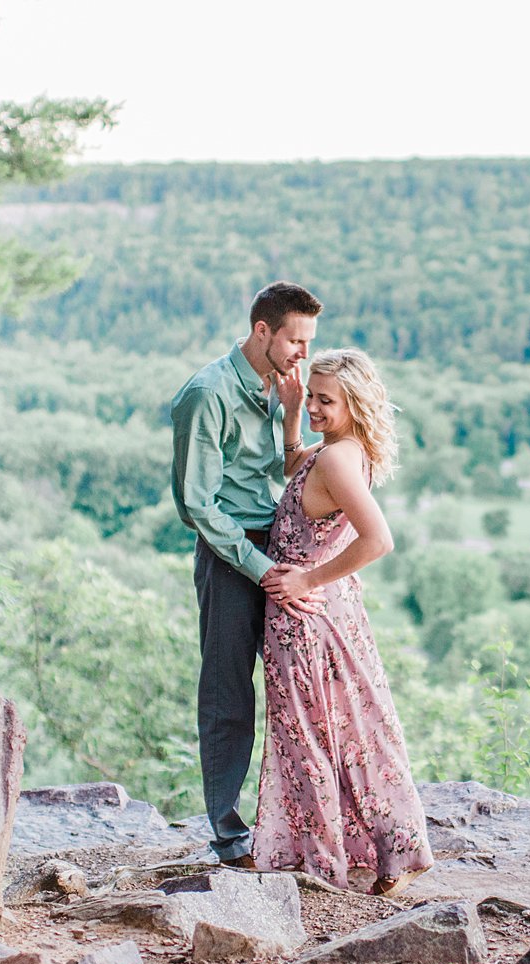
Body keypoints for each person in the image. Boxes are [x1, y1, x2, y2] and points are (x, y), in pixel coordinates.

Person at [254, 348, 434, 895]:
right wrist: (289, 414)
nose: (313, 406)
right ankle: (386, 850)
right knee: (353, 729)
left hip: (305, 616)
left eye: (324, 400)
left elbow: (379, 540)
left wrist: (307, 579)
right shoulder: (340, 451)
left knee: (305, 735)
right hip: (331, 613)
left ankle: (320, 860)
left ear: (354, 404)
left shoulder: (336, 458)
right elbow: (294, 468)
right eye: (311, 394)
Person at [170, 281, 326, 869]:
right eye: (296, 340)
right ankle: (229, 832)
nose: (302, 355)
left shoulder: (280, 388)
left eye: (309, 342)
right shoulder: (206, 395)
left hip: (284, 550)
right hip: (234, 559)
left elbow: (287, 473)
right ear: (263, 331)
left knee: (302, 687)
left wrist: (292, 416)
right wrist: (263, 570)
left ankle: (298, 822)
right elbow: (197, 506)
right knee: (229, 692)